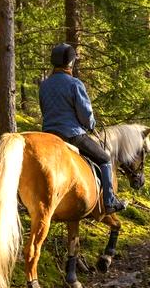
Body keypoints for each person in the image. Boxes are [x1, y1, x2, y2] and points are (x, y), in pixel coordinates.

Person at [39, 43, 127, 214]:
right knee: (105, 158)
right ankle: (109, 201)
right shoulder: (75, 84)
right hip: (72, 135)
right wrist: (91, 125)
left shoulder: (44, 85)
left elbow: (44, 109)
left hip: (48, 136)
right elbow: (85, 114)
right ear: (70, 63)